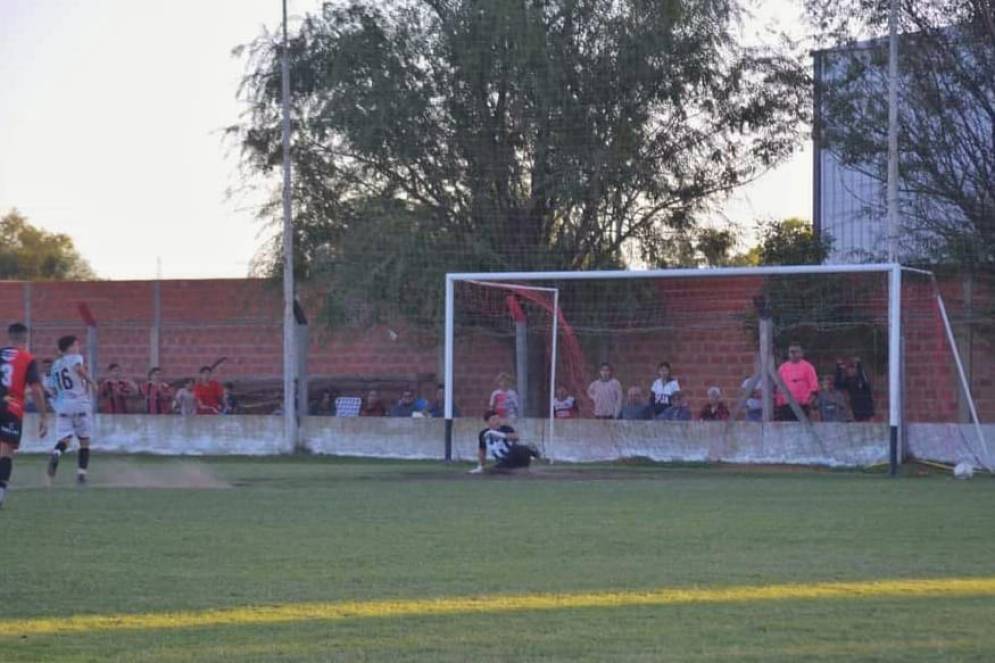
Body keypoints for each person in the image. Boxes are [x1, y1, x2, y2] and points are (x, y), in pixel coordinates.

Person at [0, 323, 48, 508]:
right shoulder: (27, 358)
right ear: (25, 338)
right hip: (10, 407)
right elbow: (36, 388)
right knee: (5, 451)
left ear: (9, 336)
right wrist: (43, 416)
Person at [47, 335, 97, 484]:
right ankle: (81, 475)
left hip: (62, 404)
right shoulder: (75, 358)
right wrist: (92, 383)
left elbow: (52, 388)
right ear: (68, 348)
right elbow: (78, 369)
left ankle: (57, 452)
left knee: (65, 439)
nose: (77, 347)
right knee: (84, 441)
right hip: (79, 402)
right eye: (75, 345)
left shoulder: (55, 365)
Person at [469, 410, 539, 474]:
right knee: (493, 470)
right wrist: (480, 466)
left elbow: (516, 437)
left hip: (514, 454)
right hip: (504, 461)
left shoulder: (505, 428)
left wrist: (500, 435)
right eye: (493, 419)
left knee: (517, 448)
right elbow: (482, 451)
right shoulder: (483, 434)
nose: (497, 421)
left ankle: (530, 451)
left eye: (498, 419)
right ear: (487, 422)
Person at [775, 342, 819, 421]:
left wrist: (809, 402)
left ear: (801, 353)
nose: (793, 354)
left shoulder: (808, 367)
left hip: (802, 404)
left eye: (795, 351)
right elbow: (778, 386)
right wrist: (779, 402)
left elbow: (814, 387)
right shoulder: (783, 368)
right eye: (791, 352)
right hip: (786, 405)